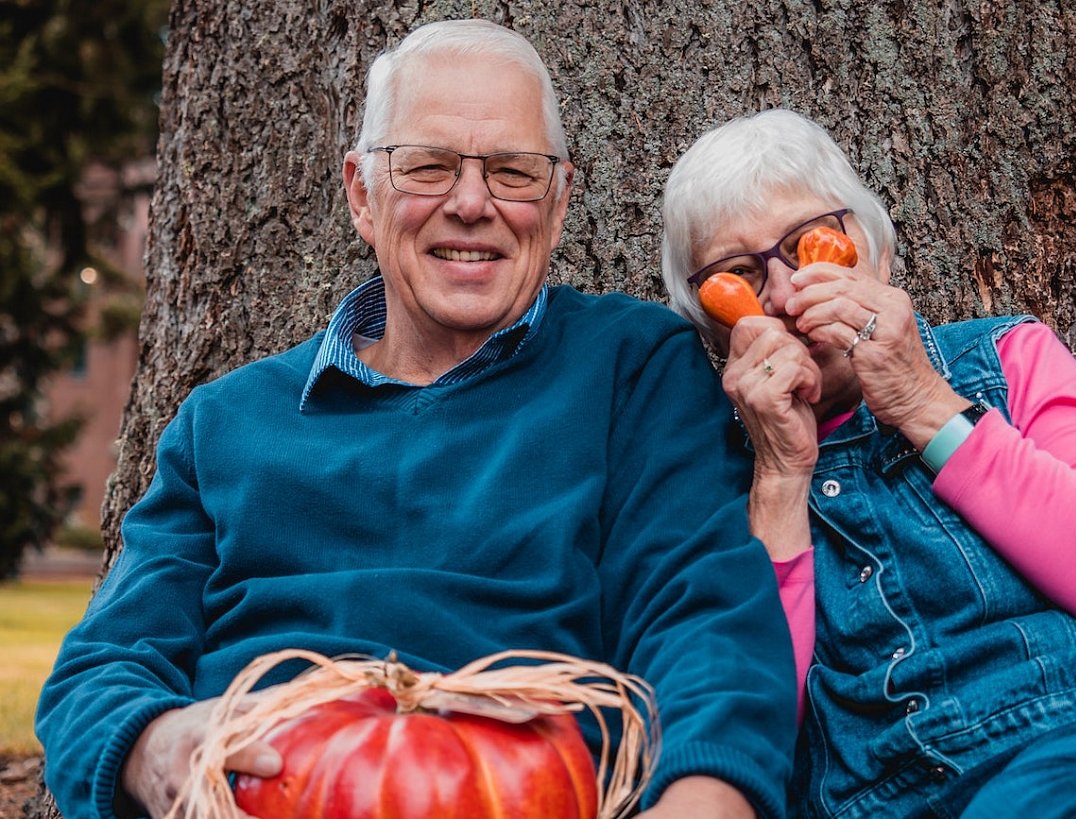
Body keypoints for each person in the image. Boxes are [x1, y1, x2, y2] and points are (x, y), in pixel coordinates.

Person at [37, 21, 799, 819]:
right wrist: (160, 748)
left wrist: (702, 799)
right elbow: (100, 671)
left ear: (558, 203)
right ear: (362, 194)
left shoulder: (631, 368)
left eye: (512, 171)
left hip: (522, 796)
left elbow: (704, 618)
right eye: (429, 166)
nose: (470, 204)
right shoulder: (224, 423)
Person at [659, 108, 1076, 819]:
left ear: (879, 255)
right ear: (714, 334)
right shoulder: (715, 480)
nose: (786, 296)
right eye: (738, 276)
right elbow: (746, 741)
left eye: (808, 244)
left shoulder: (1005, 359)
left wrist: (924, 404)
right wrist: (782, 479)